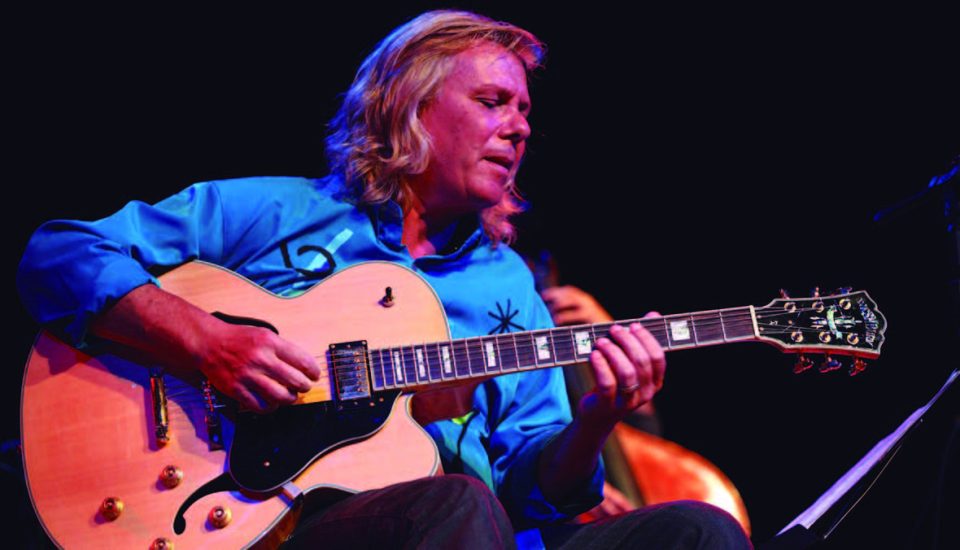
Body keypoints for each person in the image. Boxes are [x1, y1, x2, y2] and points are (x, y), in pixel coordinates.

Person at [17, 10, 751, 549]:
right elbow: (60, 254)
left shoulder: (508, 291)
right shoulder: (278, 212)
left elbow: (537, 496)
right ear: (410, 109)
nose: (521, 127)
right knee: (457, 505)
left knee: (699, 530)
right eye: (493, 102)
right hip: (269, 518)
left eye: (526, 111)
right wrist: (208, 343)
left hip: (464, 530)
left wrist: (595, 420)